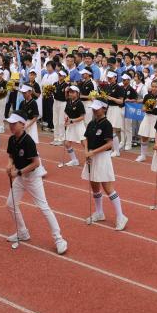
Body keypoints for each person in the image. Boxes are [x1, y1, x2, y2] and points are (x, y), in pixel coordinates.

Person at [4, 112, 68, 255]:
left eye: (14, 123)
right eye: (10, 123)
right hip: (20, 177)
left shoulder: (28, 141)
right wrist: (10, 165)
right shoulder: (12, 139)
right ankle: (22, 232)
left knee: (43, 207)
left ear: (22, 124)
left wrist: (18, 172)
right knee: (10, 204)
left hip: (32, 177)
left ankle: (59, 239)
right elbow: (11, 156)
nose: (11, 126)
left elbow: (36, 163)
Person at [82, 99, 128, 231]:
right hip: (91, 157)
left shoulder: (107, 124)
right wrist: (86, 152)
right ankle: (99, 212)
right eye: (93, 108)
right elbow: (85, 138)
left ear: (104, 109)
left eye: (97, 108)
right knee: (94, 186)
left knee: (108, 188)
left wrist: (93, 152)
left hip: (102, 158)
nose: (94, 110)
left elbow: (109, 144)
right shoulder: (92, 123)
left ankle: (121, 216)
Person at [59, 85, 85, 167]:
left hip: (78, 125)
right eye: (70, 92)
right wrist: (67, 119)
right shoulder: (69, 102)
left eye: (72, 92)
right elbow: (66, 112)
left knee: (84, 143)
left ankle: (91, 159)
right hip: (71, 124)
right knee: (67, 143)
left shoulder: (80, 103)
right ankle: (74, 160)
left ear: (77, 93)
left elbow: (82, 117)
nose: (70, 94)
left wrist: (72, 120)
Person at [136, 80, 157, 162]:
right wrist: (150, 106)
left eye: (155, 87)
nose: (153, 88)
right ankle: (143, 155)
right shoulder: (147, 96)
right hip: (147, 117)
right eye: (152, 86)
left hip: (156, 118)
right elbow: (143, 109)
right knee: (144, 137)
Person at [102, 71, 126, 157]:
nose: (109, 79)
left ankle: (116, 150)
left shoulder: (119, 88)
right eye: (108, 78)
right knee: (110, 130)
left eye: (111, 78)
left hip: (116, 109)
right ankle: (113, 149)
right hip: (110, 109)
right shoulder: (108, 86)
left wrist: (111, 98)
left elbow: (121, 101)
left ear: (115, 78)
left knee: (113, 130)